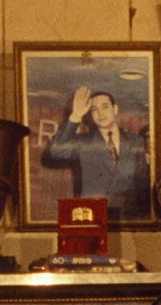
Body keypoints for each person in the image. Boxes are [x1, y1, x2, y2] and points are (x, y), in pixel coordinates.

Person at [40, 84, 150, 216]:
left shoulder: (135, 141)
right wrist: (75, 116)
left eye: (105, 106)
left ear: (115, 109)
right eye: (94, 109)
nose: (100, 113)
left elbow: (143, 182)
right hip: (94, 216)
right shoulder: (83, 141)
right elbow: (56, 151)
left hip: (128, 218)